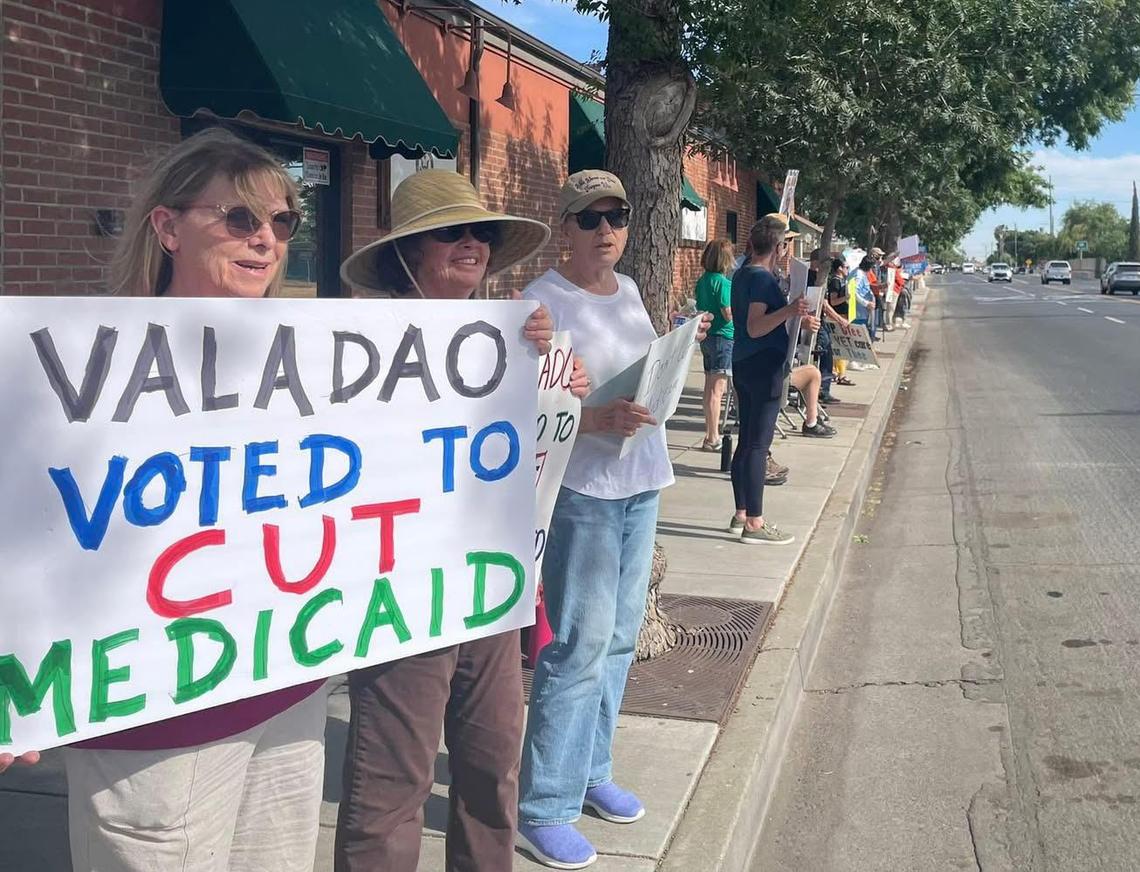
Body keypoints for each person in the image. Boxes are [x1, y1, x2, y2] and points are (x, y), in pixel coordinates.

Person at [15, 127, 328, 872]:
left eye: (282, 222)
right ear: (167, 227)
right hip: (152, 718)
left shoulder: (317, 357)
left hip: (290, 689)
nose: (265, 240)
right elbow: (24, 519)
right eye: (240, 218)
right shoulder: (77, 367)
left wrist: (527, 367)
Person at [334, 169, 585, 872]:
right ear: (410, 254)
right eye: (451, 233)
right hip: (402, 591)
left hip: (490, 586)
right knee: (391, 787)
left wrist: (559, 381)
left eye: (481, 233)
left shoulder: (511, 337)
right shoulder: (361, 342)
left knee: (491, 771)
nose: (471, 244)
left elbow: (543, 439)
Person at [514, 169, 709, 869]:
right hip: (585, 491)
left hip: (642, 482)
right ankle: (545, 806)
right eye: (589, 218)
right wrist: (596, 418)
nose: (606, 231)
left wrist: (679, 345)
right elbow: (528, 412)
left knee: (622, 639)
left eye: (617, 217)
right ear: (564, 228)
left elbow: (645, 372)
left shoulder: (627, 290)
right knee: (577, 646)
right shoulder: (540, 304)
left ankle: (591, 770)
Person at [727, 215, 813, 545]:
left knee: (747, 441)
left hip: (746, 363)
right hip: (763, 367)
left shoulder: (742, 274)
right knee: (758, 446)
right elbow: (755, 325)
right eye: (786, 245)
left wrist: (795, 320)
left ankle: (741, 513)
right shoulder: (762, 279)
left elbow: (759, 324)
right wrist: (790, 312)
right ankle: (755, 522)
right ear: (779, 247)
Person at [694, 238, 735, 450]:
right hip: (724, 336)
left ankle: (709, 433)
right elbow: (727, 314)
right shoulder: (724, 283)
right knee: (717, 390)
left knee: (709, 386)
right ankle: (713, 436)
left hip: (707, 335)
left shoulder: (702, 281)